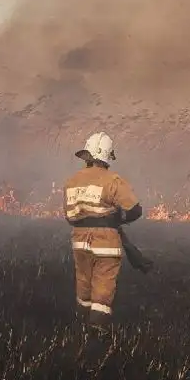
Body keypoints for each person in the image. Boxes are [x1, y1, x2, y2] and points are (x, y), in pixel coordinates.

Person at [63, 132, 143, 328]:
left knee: (83, 283)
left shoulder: (71, 181)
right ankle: (96, 336)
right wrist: (119, 219)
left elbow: (69, 216)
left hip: (79, 241)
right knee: (103, 289)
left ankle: (80, 328)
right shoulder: (113, 180)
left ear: (87, 156)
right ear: (108, 157)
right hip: (106, 242)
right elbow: (135, 210)